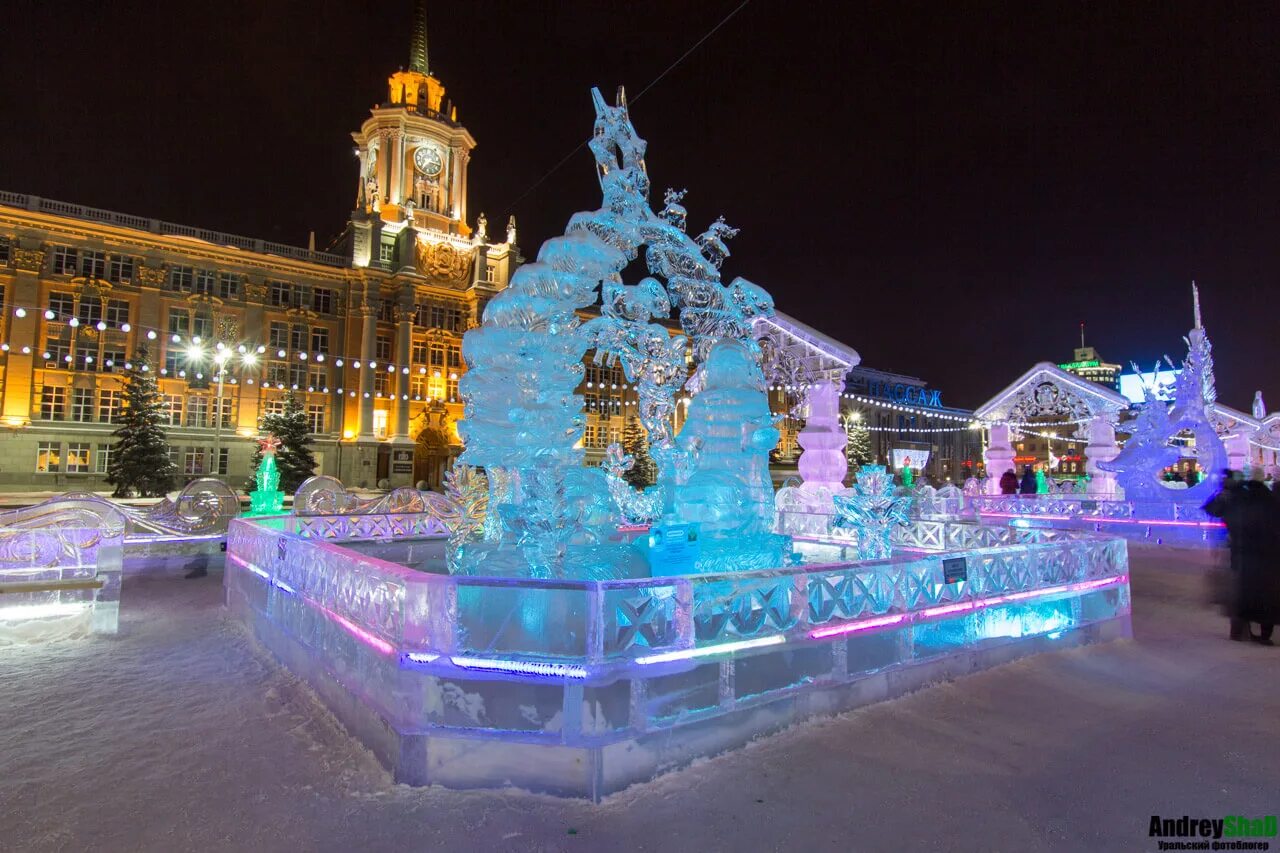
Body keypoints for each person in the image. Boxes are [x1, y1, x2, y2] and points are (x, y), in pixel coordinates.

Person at [1204, 473, 1280, 644]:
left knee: (1242, 593)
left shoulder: (1238, 501)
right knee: (1267, 596)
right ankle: (1265, 634)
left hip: (1242, 556)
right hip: (1270, 558)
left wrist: (1222, 492)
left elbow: (1212, 509)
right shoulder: (1271, 502)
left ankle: (1238, 631)